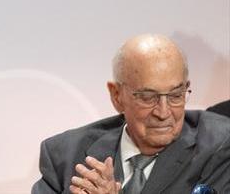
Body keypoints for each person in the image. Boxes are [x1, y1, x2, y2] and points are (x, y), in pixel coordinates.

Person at [32, 34, 230, 194]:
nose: (163, 113)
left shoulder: (220, 145)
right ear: (117, 96)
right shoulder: (65, 155)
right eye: (147, 97)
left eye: (175, 95)